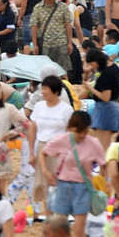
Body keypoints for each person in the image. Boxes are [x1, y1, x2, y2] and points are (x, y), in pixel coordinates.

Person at [41, 111, 105, 237]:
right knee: (60, 229)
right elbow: (43, 153)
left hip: (82, 187)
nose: (82, 135)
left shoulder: (94, 143)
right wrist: (45, 172)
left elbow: (104, 164)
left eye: (85, 132)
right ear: (71, 128)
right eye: (78, 132)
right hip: (63, 186)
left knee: (79, 230)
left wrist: (104, 180)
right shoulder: (62, 140)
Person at [27, 75, 74, 220]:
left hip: (59, 150)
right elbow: (33, 129)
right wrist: (31, 152)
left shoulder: (66, 109)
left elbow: (71, 133)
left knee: (58, 183)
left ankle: (61, 217)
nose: (43, 92)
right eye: (43, 89)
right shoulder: (39, 106)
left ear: (55, 91)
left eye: (46, 89)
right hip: (42, 148)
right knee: (45, 183)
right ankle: (49, 217)